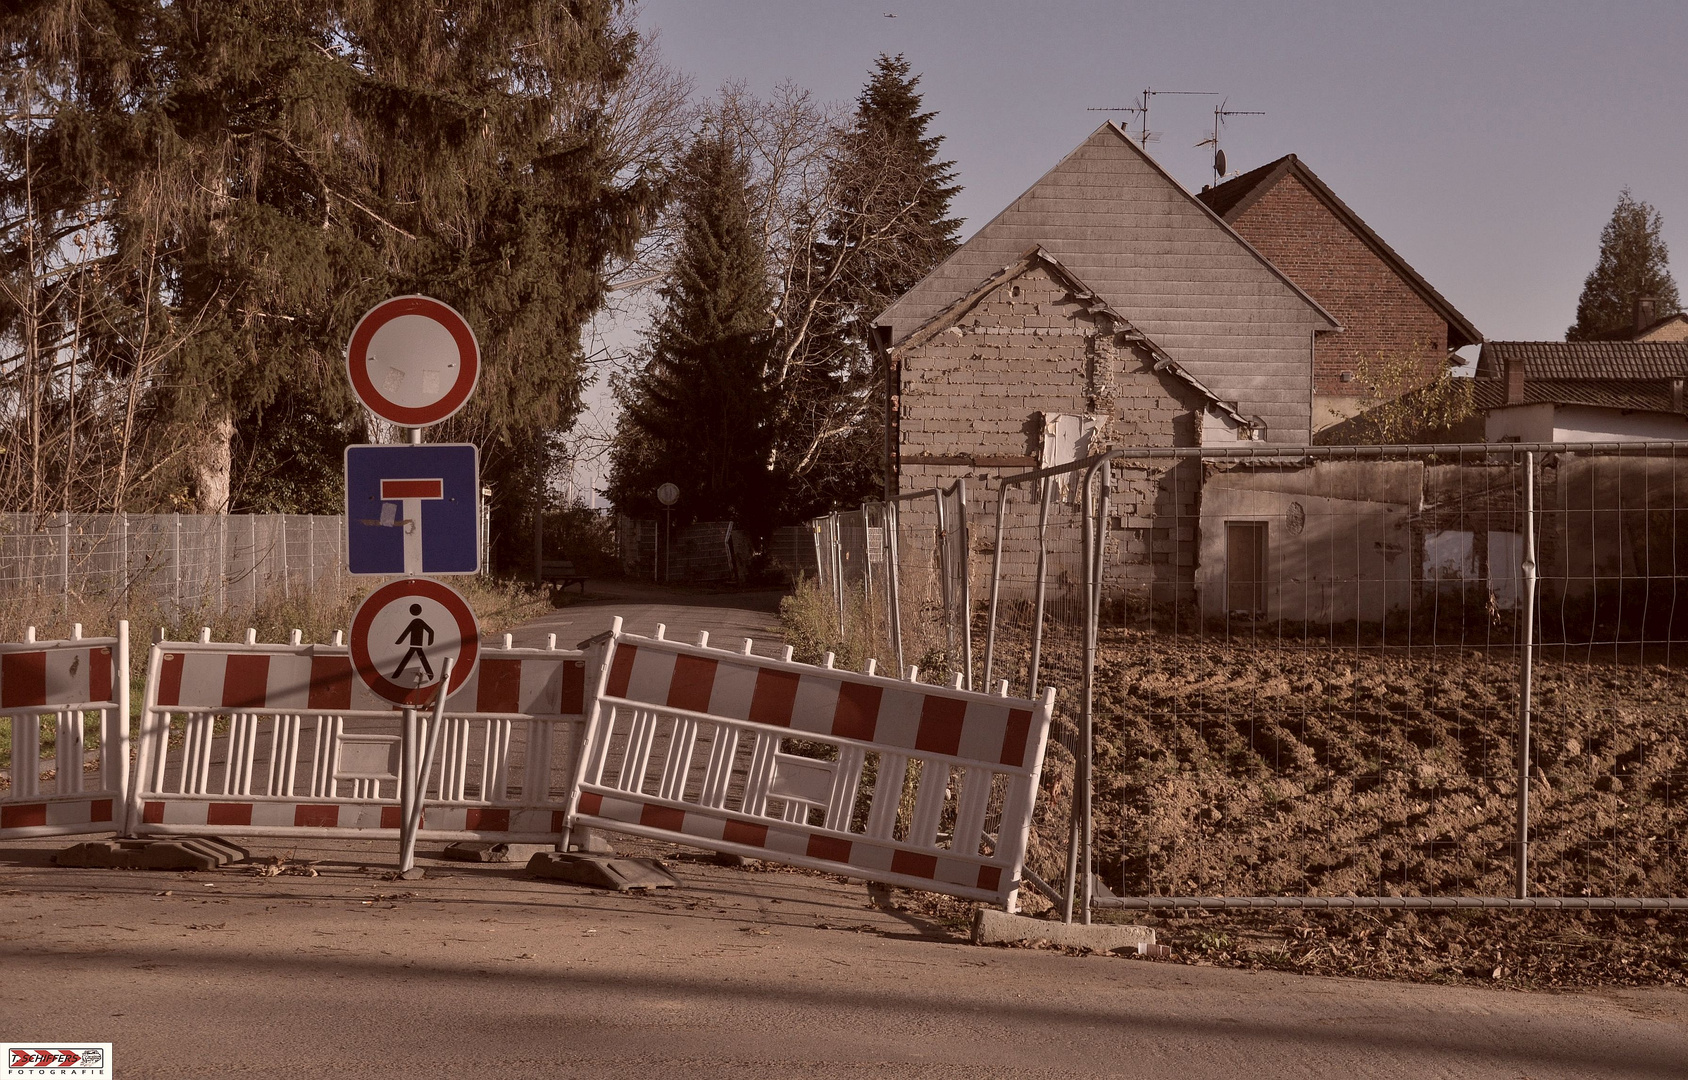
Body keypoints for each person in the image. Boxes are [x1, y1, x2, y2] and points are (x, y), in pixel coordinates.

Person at [391, 604, 435, 681]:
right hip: (415, 645)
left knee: (410, 659)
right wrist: (429, 642)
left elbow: (406, 632)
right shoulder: (417, 622)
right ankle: (431, 676)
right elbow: (430, 631)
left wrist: (399, 641)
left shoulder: (416, 622)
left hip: (415, 645)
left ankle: (395, 675)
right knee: (420, 660)